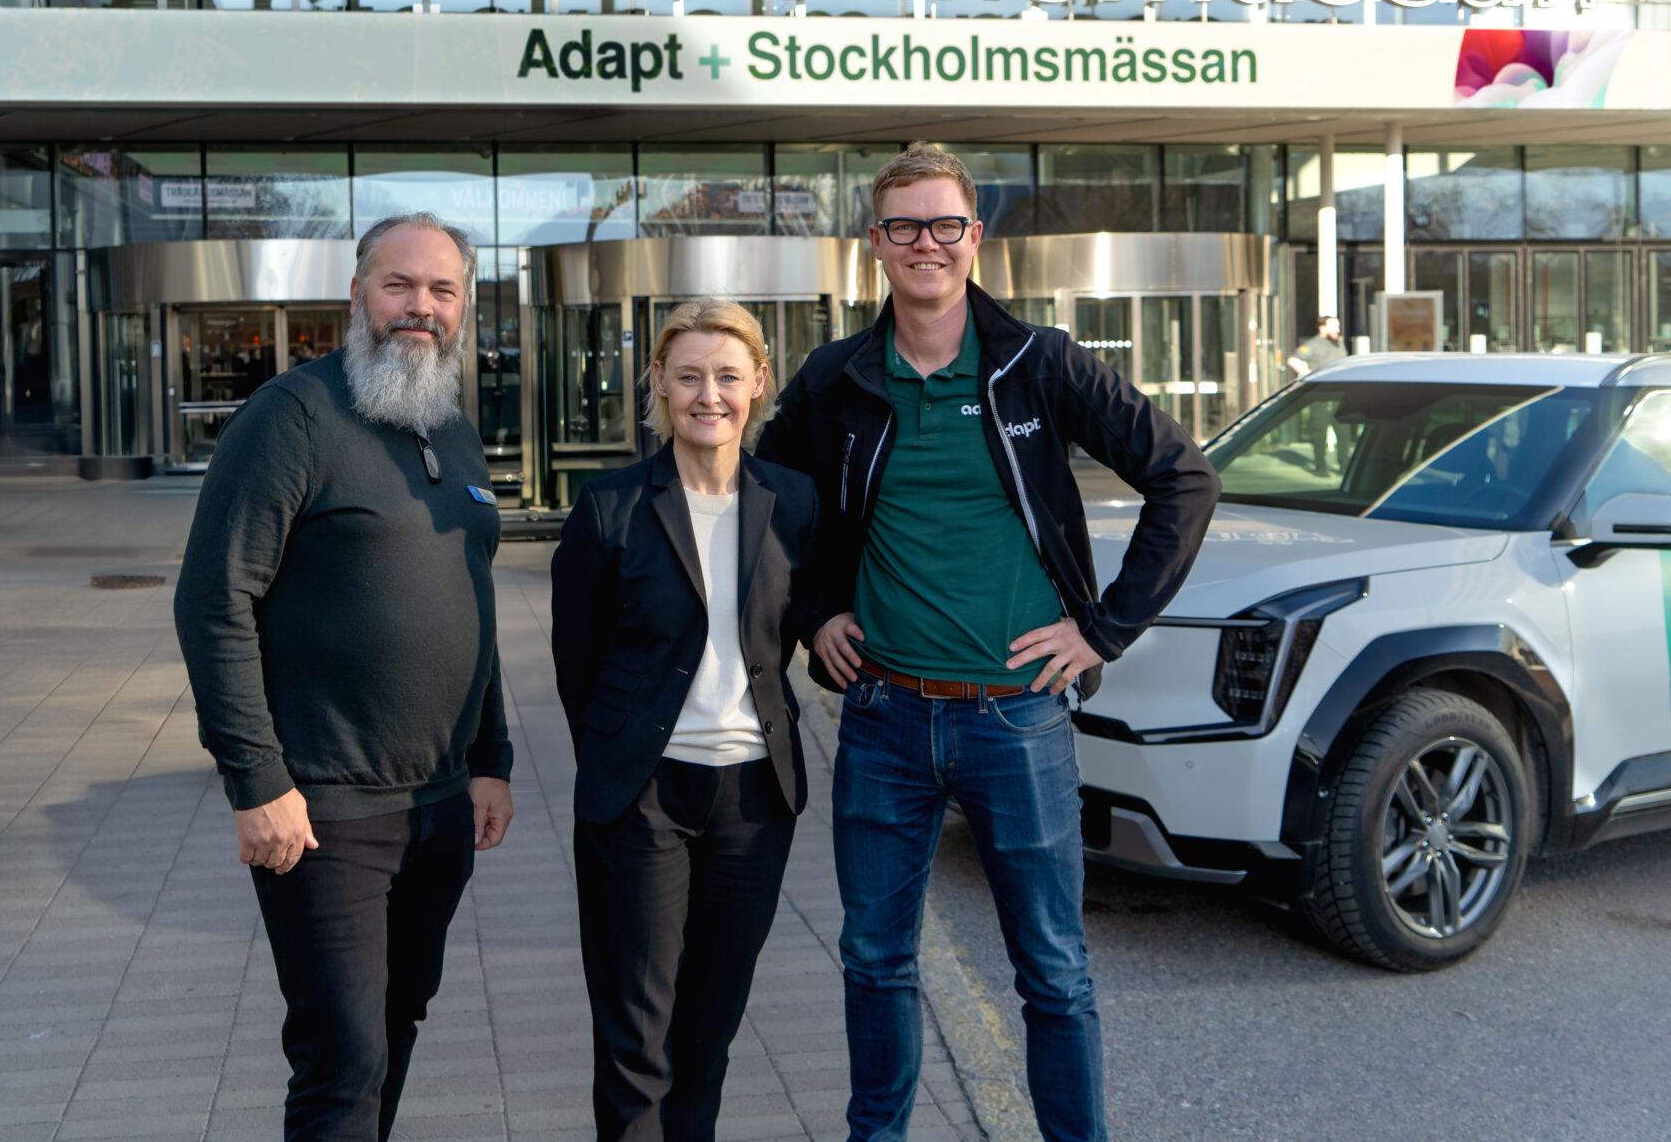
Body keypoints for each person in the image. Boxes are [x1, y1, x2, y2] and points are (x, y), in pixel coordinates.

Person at [756, 144, 1219, 1142]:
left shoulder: (1037, 364)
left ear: (976, 238)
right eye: (904, 226)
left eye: (946, 224)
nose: (927, 242)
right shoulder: (836, 378)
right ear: (873, 244)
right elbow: (765, 506)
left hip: (1016, 721)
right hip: (882, 720)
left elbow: (1185, 477)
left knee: (1052, 971)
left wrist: (1103, 629)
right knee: (874, 960)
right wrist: (812, 612)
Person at [173, 212, 515, 1142]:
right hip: (324, 809)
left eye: (443, 291)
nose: (421, 307)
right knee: (342, 1057)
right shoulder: (292, 417)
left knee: (395, 1029)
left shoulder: (450, 426)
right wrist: (258, 781)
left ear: (464, 308)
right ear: (356, 294)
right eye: (399, 285)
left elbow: (470, 604)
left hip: (440, 806)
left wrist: (493, 755)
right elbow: (212, 603)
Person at [551, 299, 822, 1142]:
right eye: (691, 376)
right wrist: (622, 760)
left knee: (707, 1036)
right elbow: (577, 668)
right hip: (643, 803)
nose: (711, 394)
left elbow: (805, 620)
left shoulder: (794, 502)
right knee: (637, 1042)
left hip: (753, 802)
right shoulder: (610, 507)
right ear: (659, 386)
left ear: (758, 387)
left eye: (729, 377)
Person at [1288, 317, 1347, 476]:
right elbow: (1293, 359)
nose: (1338, 329)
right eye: (1334, 326)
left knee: (1343, 432)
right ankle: (1320, 467)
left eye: (1338, 326)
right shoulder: (1313, 345)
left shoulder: (1339, 343)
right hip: (1321, 396)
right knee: (1319, 432)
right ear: (1322, 328)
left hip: (1340, 395)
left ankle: (1345, 467)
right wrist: (1310, 376)